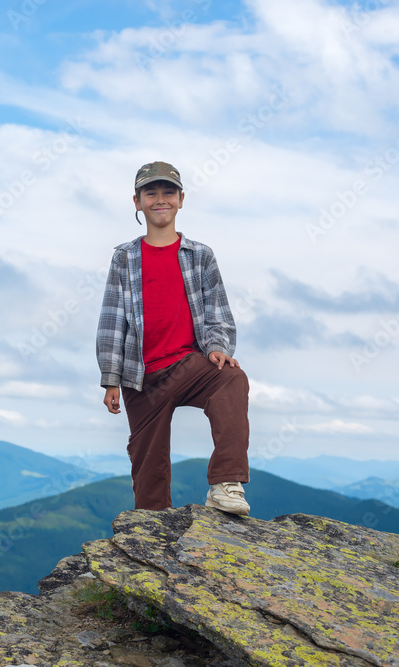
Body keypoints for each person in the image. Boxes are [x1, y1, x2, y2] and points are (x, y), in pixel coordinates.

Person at [95, 161, 251, 515]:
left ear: (182, 200)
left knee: (231, 379)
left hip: (189, 365)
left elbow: (218, 312)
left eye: (168, 192)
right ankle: (150, 539)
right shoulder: (124, 257)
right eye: (151, 193)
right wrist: (110, 378)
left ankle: (226, 483)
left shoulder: (200, 256)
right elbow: (111, 319)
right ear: (137, 201)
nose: (160, 199)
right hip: (140, 377)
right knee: (149, 475)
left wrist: (217, 348)